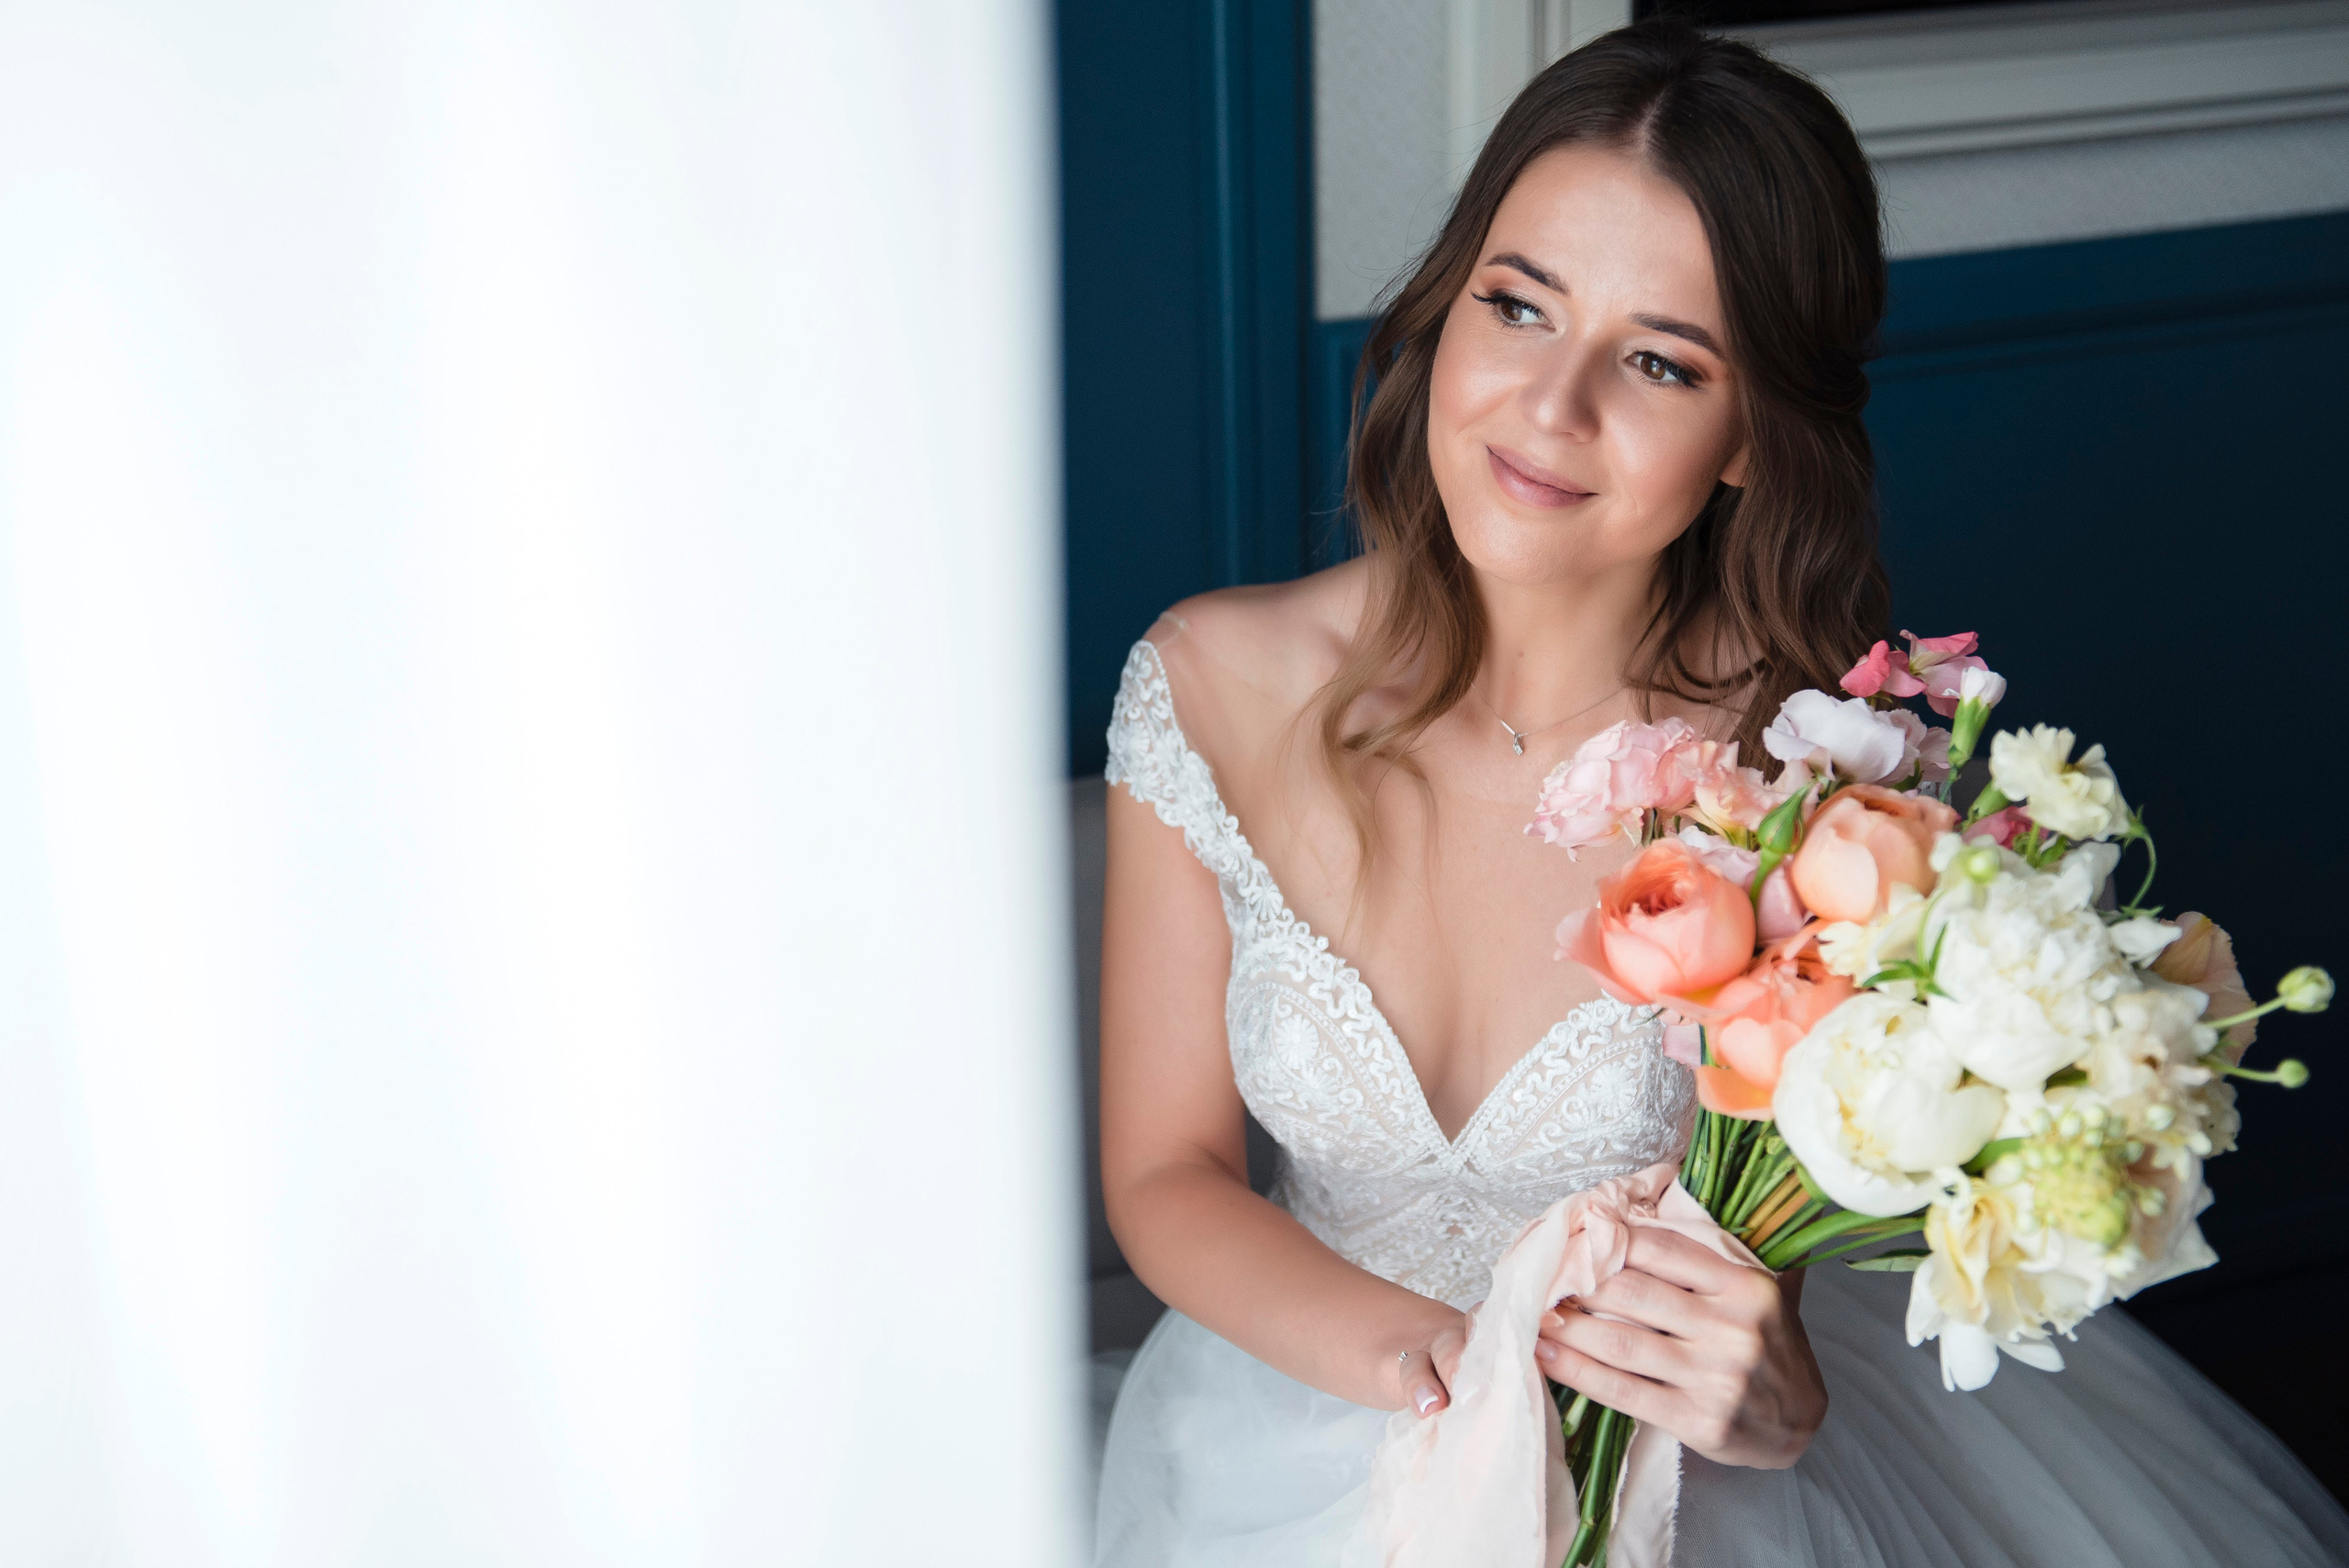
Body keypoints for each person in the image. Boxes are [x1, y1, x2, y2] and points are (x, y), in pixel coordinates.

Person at [1089, 20, 2349, 1568]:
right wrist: (1440, 1382)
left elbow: (1802, 1204)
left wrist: (1766, 1389)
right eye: (1517, 304)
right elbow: (1165, 1171)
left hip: (1691, 1485)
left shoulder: (1828, 784)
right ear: (1445, 307)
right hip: (1276, 1430)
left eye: (1659, 360)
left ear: (1751, 434)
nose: (1549, 408)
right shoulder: (1212, 683)